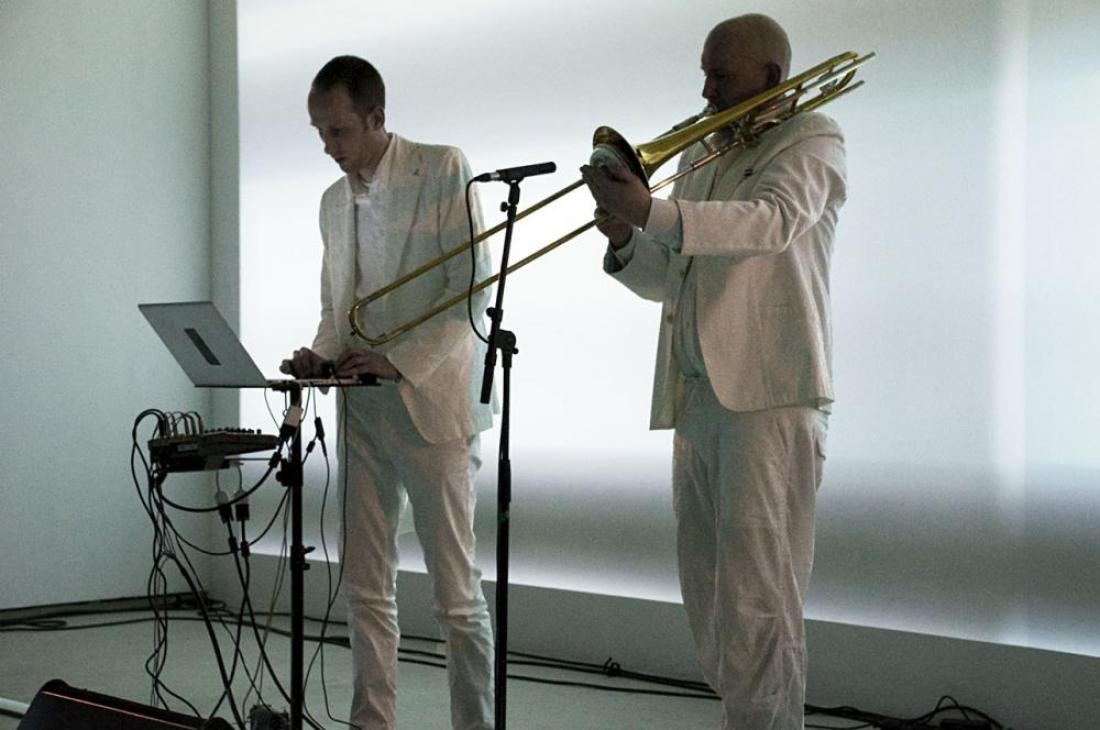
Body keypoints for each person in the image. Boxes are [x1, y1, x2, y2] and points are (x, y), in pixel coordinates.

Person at [580, 14, 846, 730]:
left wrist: (652, 209)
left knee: (759, 596)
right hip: (697, 395)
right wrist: (625, 234)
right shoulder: (704, 149)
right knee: (709, 596)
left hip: (769, 398)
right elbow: (673, 275)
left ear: (771, 76)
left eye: (719, 76)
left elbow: (771, 223)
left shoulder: (813, 137)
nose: (704, 91)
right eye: (704, 73)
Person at [280, 55, 495, 730]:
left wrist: (396, 362)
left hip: (433, 408)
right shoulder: (331, 200)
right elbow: (335, 307)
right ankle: (371, 723)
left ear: (377, 116)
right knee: (365, 586)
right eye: (320, 132)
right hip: (362, 410)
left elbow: (472, 289)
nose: (328, 145)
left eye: (339, 130)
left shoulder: (443, 168)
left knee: (455, 595)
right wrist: (320, 356)